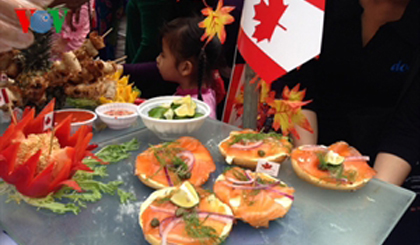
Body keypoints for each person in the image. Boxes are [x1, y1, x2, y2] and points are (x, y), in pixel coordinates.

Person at [271, 0, 419, 244]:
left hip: (385, 164)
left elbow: (408, 127)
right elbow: (298, 85)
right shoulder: (317, 8)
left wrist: (369, 208)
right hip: (310, 142)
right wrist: (308, 164)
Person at [121, 17, 226, 119]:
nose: (157, 59)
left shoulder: (199, 111)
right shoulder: (195, 93)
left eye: (163, 55)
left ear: (185, 68)